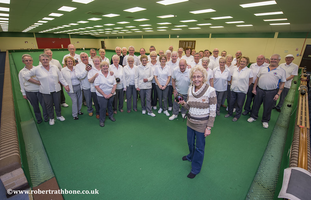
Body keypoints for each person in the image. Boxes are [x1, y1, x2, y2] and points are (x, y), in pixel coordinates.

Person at [178, 65, 217, 179]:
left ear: (204, 77)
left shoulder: (211, 91)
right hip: (190, 121)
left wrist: (209, 127)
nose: (196, 79)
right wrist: (183, 103)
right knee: (190, 143)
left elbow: (213, 111)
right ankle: (191, 156)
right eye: (194, 77)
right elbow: (189, 106)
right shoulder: (190, 89)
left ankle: (195, 168)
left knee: (200, 147)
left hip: (202, 124)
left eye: (199, 76)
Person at [24, 54, 69, 125]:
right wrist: (36, 82)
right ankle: (51, 118)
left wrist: (66, 85)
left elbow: (60, 78)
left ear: (49, 60)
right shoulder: (37, 69)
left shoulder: (54, 67)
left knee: (57, 103)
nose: (45, 61)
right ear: (40, 60)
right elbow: (26, 76)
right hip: (45, 91)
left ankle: (59, 115)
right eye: (43, 59)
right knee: (49, 105)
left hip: (56, 89)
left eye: (46, 59)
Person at [247, 54, 286, 128]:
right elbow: (257, 79)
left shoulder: (281, 71)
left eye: (275, 59)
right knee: (256, 104)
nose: (273, 60)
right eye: (272, 59)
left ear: (279, 60)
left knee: (268, 106)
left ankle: (265, 120)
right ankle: (253, 116)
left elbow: (282, 83)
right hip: (259, 89)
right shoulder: (263, 68)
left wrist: (278, 94)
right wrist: (254, 88)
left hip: (271, 91)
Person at [19, 54, 48, 124]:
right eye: (26, 60)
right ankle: (39, 118)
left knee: (44, 105)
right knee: (35, 106)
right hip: (30, 91)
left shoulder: (37, 69)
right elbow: (21, 83)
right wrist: (23, 93)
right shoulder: (21, 72)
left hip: (40, 90)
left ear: (32, 61)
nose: (28, 62)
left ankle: (46, 117)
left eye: (30, 60)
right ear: (23, 62)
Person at [225, 57, 253, 121]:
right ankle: (230, 113)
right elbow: (232, 77)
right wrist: (232, 84)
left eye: (244, 62)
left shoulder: (249, 71)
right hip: (233, 88)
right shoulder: (235, 69)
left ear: (247, 63)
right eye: (241, 61)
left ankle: (237, 116)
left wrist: (246, 86)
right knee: (231, 102)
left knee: (239, 104)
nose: (242, 63)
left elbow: (251, 80)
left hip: (242, 90)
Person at [94, 61, 117, 127]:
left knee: (110, 106)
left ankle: (111, 116)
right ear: (101, 67)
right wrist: (104, 94)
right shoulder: (98, 75)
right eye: (103, 66)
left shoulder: (111, 74)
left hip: (111, 94)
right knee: (103, 108)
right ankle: (102, 120)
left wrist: (111, 93)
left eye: (106, 66)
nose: (105, 67)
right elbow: (96, 86)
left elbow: (114, 84)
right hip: (101, 95)